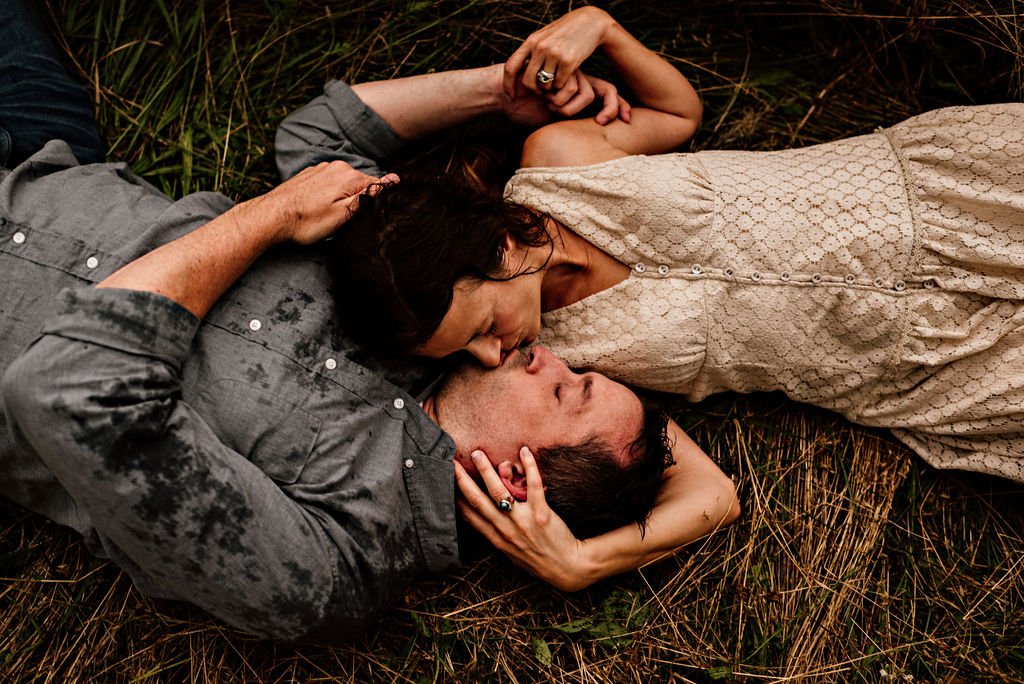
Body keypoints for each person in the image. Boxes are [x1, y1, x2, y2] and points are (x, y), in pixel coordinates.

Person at [0, 0, 739, 642]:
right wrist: (498, 92)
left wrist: (269, 218)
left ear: (520, 485)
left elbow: (71, 391)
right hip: (43, 153)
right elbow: (317, 147)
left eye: (564, 389)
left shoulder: (332, 564)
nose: (548, 355)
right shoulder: (428, 325)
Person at [305, 7, 1024, 576]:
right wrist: (581, 560)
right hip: (924, 358)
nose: (493, 353)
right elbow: (711, 497)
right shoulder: (568, 370)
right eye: (468, 347)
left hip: (936, 199)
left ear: (492, 245)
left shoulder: (560, 164)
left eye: (483, 322)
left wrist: (602, 25)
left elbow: (679, 115)